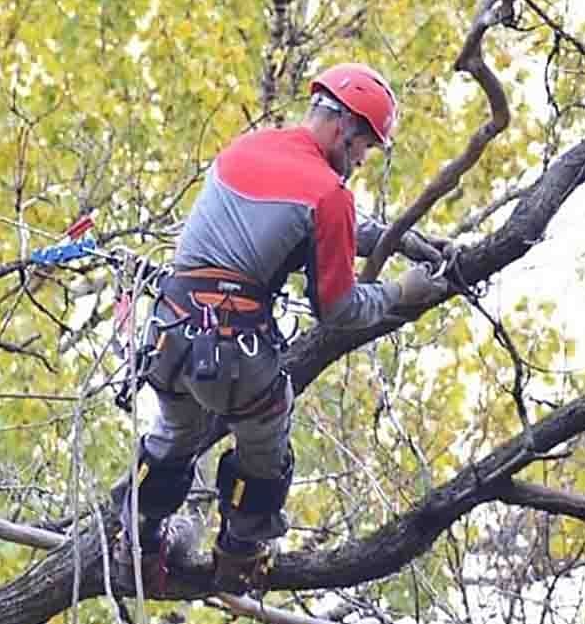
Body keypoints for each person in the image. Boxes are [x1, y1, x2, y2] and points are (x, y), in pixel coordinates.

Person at [116, 63, 448, 593]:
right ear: (345, 129)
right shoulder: (328, 194)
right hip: (236, 350)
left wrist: (398, 238)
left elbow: (292, 222)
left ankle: (137, 534)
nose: (361, 161)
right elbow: (337, 309)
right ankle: (240, 554)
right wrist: (402, 295)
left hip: (170, 331)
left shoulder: (242, 151)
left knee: (176, 434)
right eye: (364, 147)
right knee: (265, 445)